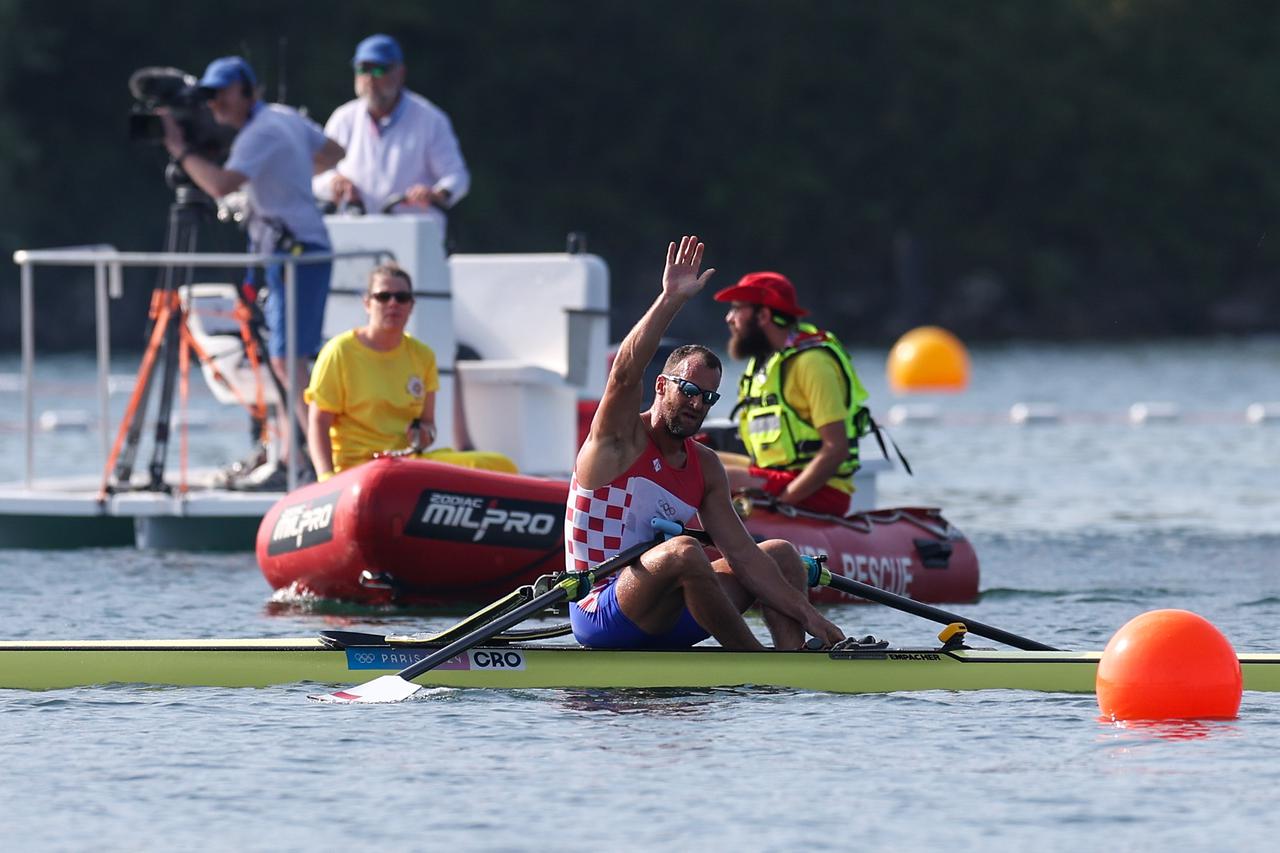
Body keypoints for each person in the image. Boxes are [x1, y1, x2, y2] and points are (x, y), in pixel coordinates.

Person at [566, 236, 845, 651]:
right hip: (603, 608)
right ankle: (754, 662)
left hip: (671, 609)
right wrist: (670, 299)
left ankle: (794, 662)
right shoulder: (619, 439)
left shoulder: (705, 466)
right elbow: (625, 372)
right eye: (689, 390)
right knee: (683, 551)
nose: (698, 404)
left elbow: (744, 558)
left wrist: (812, 617)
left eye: (708, 397)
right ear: (661, 386)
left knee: (781, 555)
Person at [161, 55, 345, 489]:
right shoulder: (284, 118)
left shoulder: (259, 133)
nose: (215, 105)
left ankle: (320, 466)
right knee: (288, 361)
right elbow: (335, 153)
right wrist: (290, 172)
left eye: (221, 94)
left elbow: (221, 185)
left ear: (247, 92)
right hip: (299, 251)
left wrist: (179, 150)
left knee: (288, 361)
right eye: (209, 96)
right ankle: (302, 455)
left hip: (297, 255)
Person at [306, 264, 515, 480]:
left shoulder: (423, 355)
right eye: (383, 296)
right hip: (360, 469)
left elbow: (428, 425)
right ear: (367, 303)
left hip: (407, 464)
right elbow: (318, 422)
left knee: (500, 465)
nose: (393, 304)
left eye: (401, 297)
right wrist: (326, 477)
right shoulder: (339, 352)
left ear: (411, 305)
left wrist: (424, 435)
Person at [713, 272, 872, 517]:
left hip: (820, 490)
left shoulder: (812, 363)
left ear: (763, 315)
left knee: (714, 475)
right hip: (774, 475)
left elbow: (836, 448)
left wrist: (783, 505)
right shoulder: (763, 364)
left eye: (737, 309)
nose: (729, 318)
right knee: (697, 458)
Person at [314, 34, 470, 226]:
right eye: (363, 69)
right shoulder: (343, 118)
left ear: (400, 73)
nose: (370, 78)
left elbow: (456, 176)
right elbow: (316, 176)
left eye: (380, 70)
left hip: (414, 235)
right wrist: (333, 182)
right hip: (356, 235)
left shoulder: (430, 119)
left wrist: (436, 194)